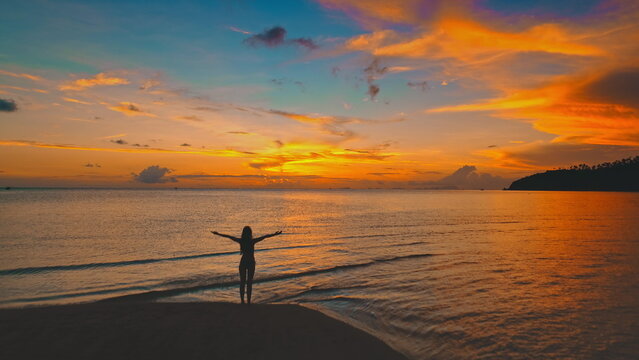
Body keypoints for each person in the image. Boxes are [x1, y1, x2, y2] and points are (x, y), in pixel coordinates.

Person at [211, 226, 283, 304]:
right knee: (249, 282)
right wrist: (275, 234)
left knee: (242, 282)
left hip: (243, 262)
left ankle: (242, 301)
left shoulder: (241, 241)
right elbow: (265, 237)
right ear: (250, 233)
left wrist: (218, 234)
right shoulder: (252, 241)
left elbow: (229, 236)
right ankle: (248, 301)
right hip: (251, 262)